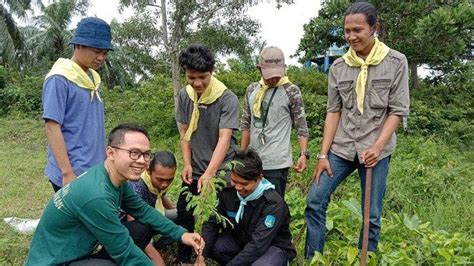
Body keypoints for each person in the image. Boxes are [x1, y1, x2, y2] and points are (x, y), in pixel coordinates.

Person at [305, 2, 410, 258]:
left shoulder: (396, 62)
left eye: (358, 30)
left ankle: (367, 257)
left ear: (375, 28)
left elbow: (397, 110)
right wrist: (322, 155)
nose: (351, 36)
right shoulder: (339, 66)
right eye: (347, 30)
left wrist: (377, 146)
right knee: (315, 200)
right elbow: (333, 111)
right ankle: (313, 259)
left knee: (371, 213)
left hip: (376, 149)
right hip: (341, 147)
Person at [26, 124, 204, 265]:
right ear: (111, 152)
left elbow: (142, 210)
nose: (142, 161)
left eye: (146, 154)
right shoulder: (97, 196)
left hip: (77, 250)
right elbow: (124, 251)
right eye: (134, 153)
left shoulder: (112, 177)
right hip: (56, 261)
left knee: (140, 230)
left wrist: (181, 234)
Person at [175, 43, 240, 263]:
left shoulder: (226, 98)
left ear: (212, 72)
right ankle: (184, 258)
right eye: (191, 77)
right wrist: (187, 163)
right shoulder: (185, 96)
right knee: (185, 213)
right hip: (194, 166)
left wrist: (210, 173)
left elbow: (225, 138)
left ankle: (211, 255)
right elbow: (184, 131)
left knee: (217, 214)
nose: (197, 83)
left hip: (221, 168)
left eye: (203, 77)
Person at [42, 17, 112, 192]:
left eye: (105, 53)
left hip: (94, 168)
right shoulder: (59, 78)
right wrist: (67, 173)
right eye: (97, 51)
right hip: (72, 171)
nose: (101, 58)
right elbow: (52, 126)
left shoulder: (92, 78)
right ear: (79, 45)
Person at [201, 149, 296, 265]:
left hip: (270, 246)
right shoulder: (227, 192)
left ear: (259, 178)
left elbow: (258, 244)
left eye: (244, 184)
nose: (238, 187)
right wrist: (202, 256)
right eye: (234, 181)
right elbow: (212, 224)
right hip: (242, 242)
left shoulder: (272, 204)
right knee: (213, 245)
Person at [240, 46, 310, 196]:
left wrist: (303, 154)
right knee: (251, 204)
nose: (273, 79)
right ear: (259, 69)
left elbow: (301, 126)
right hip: (253, 160)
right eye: (268, 75)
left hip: (277, 162)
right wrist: (242, 155)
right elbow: (246, 124)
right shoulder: (252, 90)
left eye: (277, 75)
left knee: (273, 205)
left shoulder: (291, 91)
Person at [127, 150, 178, 264]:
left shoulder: (159, 182)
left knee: (184, 215)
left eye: (169, 180)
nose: (165, 184)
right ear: (149, 171)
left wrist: (176, 210)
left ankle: (158, 246)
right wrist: (154, 256)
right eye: (160, 179)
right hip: (135, 226)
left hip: (152, 218)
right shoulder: (137, 186)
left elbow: (162, 196)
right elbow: (133, 225)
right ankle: (148, 248)